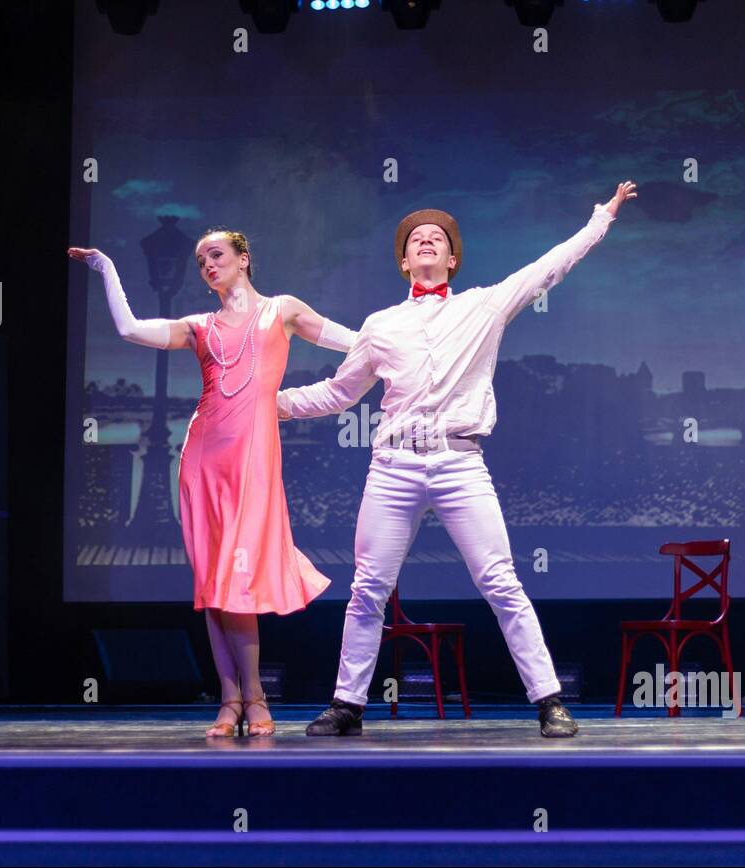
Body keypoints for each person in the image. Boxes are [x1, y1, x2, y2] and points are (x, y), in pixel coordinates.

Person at [277, 181, 638, 737]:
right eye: (415, 239)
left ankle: (548, 700)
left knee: (501, 581)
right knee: (368, 588)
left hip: (459, 463)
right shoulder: (379, 326)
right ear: (404, 262)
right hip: (394, 467)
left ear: (451, 257)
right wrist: (268, 405)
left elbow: (549, 267)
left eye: (436, 238)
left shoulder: (484, 305)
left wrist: (601, 217)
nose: (425, 241)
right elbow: (337, 393)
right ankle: (347, 704)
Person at [68, 229, 359, 737]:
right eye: (201, 259)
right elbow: (131, 329)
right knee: (213, 585)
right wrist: (106, 270)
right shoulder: (199, 326)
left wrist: (409, 355)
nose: (207, 264)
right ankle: (230, 701)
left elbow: (355, 343)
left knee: (237, 577)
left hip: (253, 459)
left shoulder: (282, 310)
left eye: (216, 254)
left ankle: (255, 696)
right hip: (202, 457)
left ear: (244, 259)